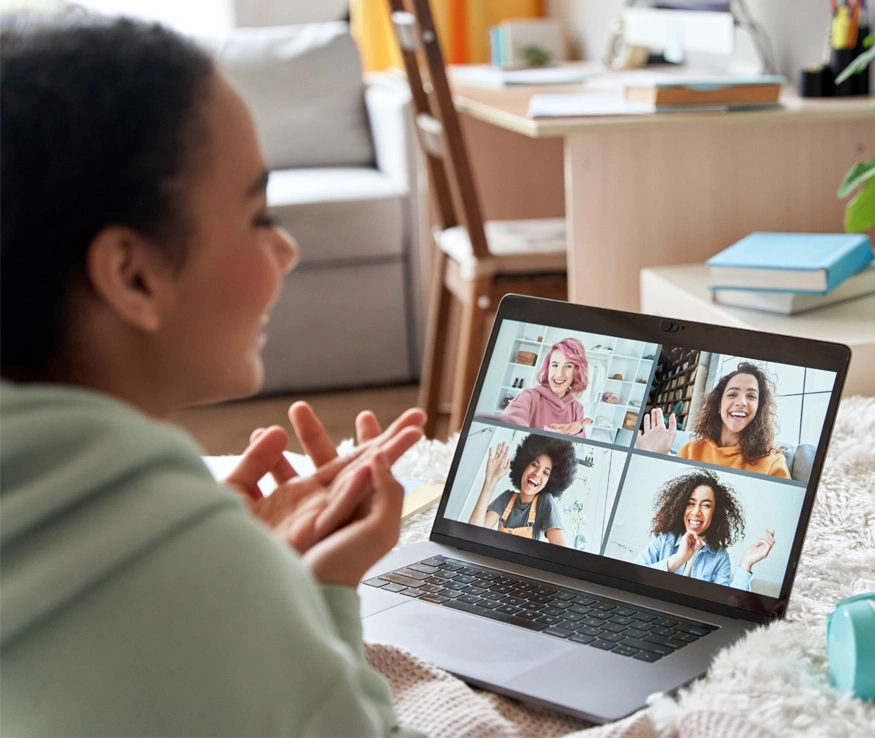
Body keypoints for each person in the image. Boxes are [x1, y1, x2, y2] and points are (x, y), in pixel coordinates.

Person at [0, 14, 426, 736]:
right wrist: (299, 595)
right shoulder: (206, 579)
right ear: (133, 274)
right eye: (260, 215)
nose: (286, 249)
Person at [635, 362, 790, 478]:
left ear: (759, 409)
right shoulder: (691, 450)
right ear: (718, 404)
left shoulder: (772, 464)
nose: (742, 402)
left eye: (751, 396)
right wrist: (655, 458)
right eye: (732, 394)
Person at [633, 471, 775, 591]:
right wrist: (679, 558)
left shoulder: (719, 557)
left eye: (706, 506)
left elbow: (727, 604)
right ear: (681, 507)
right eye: (690, 503)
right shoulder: (665, 540)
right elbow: (633, 576)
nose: (696, 512)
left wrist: (746, 563)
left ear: (715, 513)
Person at [467, 434, 576, 544]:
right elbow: (472, 535)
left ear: (549, 482)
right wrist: (490, 481)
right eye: (534, 465)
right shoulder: (506, 498)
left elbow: (560, 551)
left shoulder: (544, 503)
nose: (537, 473)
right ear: (524, 465)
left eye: (545, 473)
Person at [501, 337, 593, 437]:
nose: (559, 374)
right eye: (555, 365)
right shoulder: (528, 397)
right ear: (548, 367)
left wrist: (577, 433)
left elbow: (576, 448)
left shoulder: (577, 409)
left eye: (568, 366)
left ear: (576, 372)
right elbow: (512, 420)